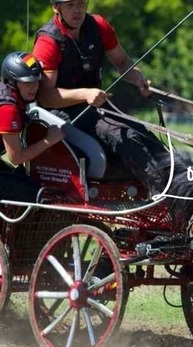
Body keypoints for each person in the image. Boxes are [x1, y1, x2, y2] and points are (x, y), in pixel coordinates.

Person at [32, 0, 167, 195]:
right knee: (124, 135)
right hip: (61, 112)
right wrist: (85, 94)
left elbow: (122, 62)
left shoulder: (99, 26)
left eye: (81, 3)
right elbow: (45, 97)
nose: (78, 10)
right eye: (70, 5)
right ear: (56, 7)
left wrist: (138, 79)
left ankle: (177, 177)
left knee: (141, 131)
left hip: (95, 105)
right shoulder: (48, 41)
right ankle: (162, 192)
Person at [0, 51, 65, 202]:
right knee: (39, 195)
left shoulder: (9, 93)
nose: (34, 88)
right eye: (28, 83)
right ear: (12, 83)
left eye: (36, 81)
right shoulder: (7, 109)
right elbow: (16, 158)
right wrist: (48, 141)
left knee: (24, 179)